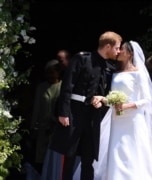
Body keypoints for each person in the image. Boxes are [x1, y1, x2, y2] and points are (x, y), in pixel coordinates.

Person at [49, 31, 122, 180]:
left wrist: (101, 101)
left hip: (93, 117)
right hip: (74, 114)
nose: (118, 51)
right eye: (117, 48)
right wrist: (63, 112)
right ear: (108, 46)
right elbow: (67, 85)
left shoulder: (109, 67)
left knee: (88, 158)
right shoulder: (82, 59)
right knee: (69, 156)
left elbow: (108, 92)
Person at [90, 41, 152, 180]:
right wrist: (103, 99)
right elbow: (112, 98)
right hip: (116, 119)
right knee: (116, 151)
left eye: (122, 50)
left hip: (133, 119)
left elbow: (147, 100)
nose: (118, 52)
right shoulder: (115, 73)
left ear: (130, 54)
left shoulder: (138, 74)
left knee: (134, 151)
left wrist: (127, 106)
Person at [30, 59, 62, 174]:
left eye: (52, 72)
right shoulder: (41, 87)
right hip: (42, 129)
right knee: (40, 158)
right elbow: (36, 108)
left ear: (58, 73)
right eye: (48, 72)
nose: (50, 75)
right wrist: (33, 127)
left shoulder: (62, 87)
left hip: (57, 129)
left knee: (54, 159)